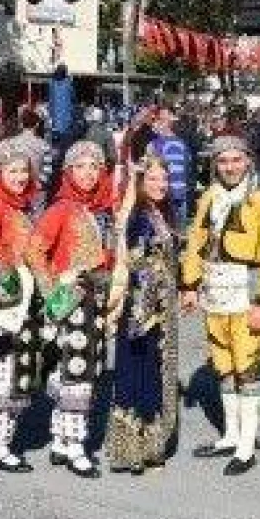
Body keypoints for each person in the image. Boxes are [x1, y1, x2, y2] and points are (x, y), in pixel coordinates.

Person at [180, 125, 260, 476]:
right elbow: (196, 241)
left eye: (236, 160)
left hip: (245, 292)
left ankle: (246, 445)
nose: (229, 167)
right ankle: (231, 433)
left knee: (247, 366)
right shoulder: (209, 196)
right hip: (215, 290)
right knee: (223, 365)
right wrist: (189, 284)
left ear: (248, 161)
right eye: (223, 161)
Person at [30, 140, 117, 478]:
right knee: (78, 372)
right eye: (80, 167)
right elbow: (36, 251)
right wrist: (54, 290)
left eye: (94, 166)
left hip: (97, 300)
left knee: (79, 370)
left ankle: (61, 439)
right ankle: (77, 446)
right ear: (67, 172)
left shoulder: (103, 209)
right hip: (72, 303)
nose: (88, 174)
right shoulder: (61, 209)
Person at [0, 137, 45, 472]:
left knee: (17, 369)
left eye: (23, 171)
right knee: (3, 372)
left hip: (25, 297)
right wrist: (5, 275)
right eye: (13, 171)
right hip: (5, 299)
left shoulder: (22, 206)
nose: (19, 177)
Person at [104, 154, 182, 474]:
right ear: (140, 182)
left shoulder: (162, 213)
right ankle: (132, 449)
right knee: (136, 373)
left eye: (164, 180)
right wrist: (144, 309)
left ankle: (151, 445)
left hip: (163, 307)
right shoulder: (137, 216)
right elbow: (135, 264)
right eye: (152, 180)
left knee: (156, 374)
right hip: (142, 307)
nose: (160, 185)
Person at [150, 107, 194, 230]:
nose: (156, 124)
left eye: (160, 120)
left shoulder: (155, 144)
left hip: (166, 196)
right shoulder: (182, 143)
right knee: (178, 234)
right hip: (177, 194)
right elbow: (188, 168)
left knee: (168, 234)